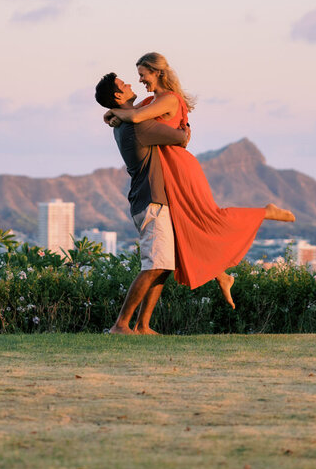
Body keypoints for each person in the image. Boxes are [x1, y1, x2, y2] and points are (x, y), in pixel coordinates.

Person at [103, 52, 295, 304]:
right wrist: (110, 114)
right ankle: (221, 275)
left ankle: (263, 212)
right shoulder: (151, 100)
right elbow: (128, 113)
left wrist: (113, 113)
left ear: (157, 72)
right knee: (186, 225)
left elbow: (135, 118)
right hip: (166, 172)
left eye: (142, 74)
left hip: (180, 169)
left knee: (208, 217)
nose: (139, 80)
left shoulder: (169, 100)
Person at [94, 72, 190, 335]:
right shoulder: (138, 126)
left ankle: (143, 325)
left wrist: (115, 114)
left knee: (164, 266)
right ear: (118, 96)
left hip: (151, 200)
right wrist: (186, 124)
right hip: (152, 201)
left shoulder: (124, 123)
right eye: (123, 85)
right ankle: (121, 325)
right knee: (154, 265)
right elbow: (181, 138)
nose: (129, 84)